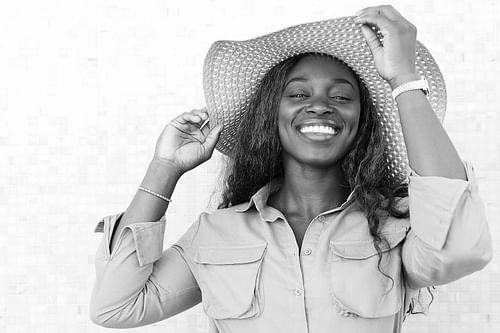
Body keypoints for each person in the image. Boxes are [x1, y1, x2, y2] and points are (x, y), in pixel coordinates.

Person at [90, 5, 492, 333]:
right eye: (298, 93)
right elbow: (116, 307)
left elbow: (459, 250)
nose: (320, 105)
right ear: (272, 114)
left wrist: (403, 78)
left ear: (361, 123)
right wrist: (165, 168)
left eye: (341, 96)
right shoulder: (215, 234)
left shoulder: (393, 228)